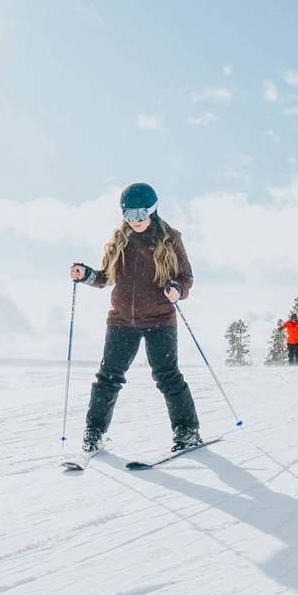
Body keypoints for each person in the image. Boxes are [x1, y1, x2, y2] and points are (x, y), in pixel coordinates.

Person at [70, 183, 202, 453]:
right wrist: (86, 275)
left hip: (159, 319)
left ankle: (187, 430)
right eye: (129, 214)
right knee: (108, 377)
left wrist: (176, 289)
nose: (136, 220)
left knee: (167, 376)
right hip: (122, 321)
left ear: (152, 210)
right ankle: (94, 433)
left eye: (141, 214)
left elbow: (186, 277)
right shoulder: (120, 240)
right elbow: (106, 278)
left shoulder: (170, 239)